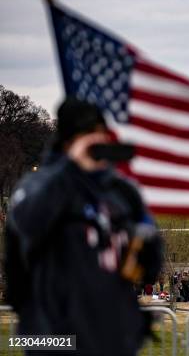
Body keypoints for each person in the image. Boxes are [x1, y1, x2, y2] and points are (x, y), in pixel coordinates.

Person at [4, 98, 163, 355]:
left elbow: (150, 264)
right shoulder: (40, 184)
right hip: (54, 337)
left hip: (112, 338)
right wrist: (70, 169)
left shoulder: (120, 192)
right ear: (69, 143)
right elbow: (28, 223)